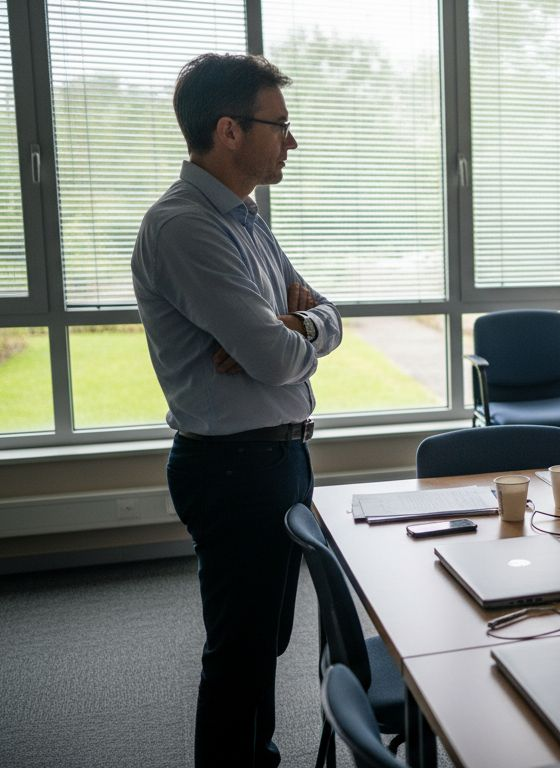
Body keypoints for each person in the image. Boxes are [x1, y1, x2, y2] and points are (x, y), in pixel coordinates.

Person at [132, 53, 342, 767]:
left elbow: (325, 317)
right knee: (240, 650)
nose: (292, 140)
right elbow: (278, 356)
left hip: (279, 455)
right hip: (232, 468)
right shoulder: (183, 227)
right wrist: (279, 335)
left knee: (265, 641)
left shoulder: (246, 219)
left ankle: (260, 757)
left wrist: (292, 327)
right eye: (279, 125)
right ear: (229, 130)